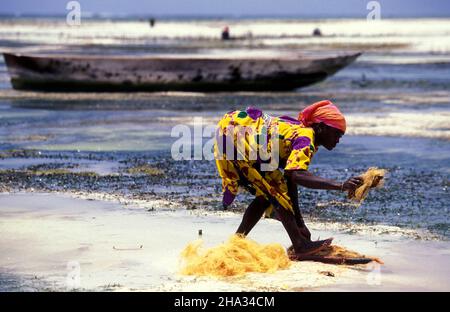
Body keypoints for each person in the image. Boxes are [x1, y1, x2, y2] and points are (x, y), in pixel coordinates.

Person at [214, 100, 363, 258]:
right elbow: (296, 175)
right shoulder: (306, 138)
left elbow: (290, 180)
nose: (338, 140)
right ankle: (300, 246)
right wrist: (340, 185)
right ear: (321, 127)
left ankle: (236, 243)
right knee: (275, 188)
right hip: (238, 135)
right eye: (336, 133)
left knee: (268, 193)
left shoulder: (304, 135)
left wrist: (299, 223)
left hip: (233, 129)